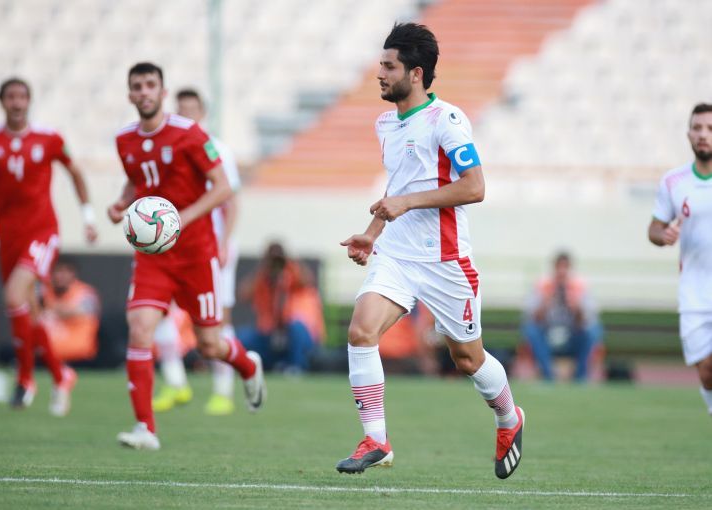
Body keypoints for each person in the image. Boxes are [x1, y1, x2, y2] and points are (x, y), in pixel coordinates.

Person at [336, 23, 524, 479]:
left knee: (467, 360)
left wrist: (406, 203)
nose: (379, 74)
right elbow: (398, 187)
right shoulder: (385, 123)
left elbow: (474, 187)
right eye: (381, 64)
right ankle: (376, 440)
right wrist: (373, 232)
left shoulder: (448, 120)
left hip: (446, 261)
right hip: (397, 255)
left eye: (389, 66)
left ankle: (509, 417)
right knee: (361, 331)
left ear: (415, 73)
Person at [107, 62, 265, 450]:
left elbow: (223, 187)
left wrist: (181, 218)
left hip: (197, 254)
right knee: (140, 327)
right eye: (137, 86)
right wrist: (122, 203)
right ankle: (145, 429)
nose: (144, 92)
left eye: (150, 85)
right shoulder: (124, 140)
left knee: (209, 345)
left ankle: (248, 365)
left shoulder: (189, 133)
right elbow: (137, 180)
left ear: (162, 92)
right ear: (130, 94)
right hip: (153, 256)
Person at [0, 77, 96, 416]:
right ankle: (61, 375)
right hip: (8, 237)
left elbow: (75, 173)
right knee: (30, 311)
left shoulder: (49, 138)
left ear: (29, 101)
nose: (17, 102)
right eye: (11, 96)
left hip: (43, 232)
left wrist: (88, 217)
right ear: (2, 102)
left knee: (12, 296)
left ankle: (25, 378)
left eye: (22, 96)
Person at [152, 88, 244, 416]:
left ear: (202, 113)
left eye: (192, 110)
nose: (187, 116)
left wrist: (224, 242)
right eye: (182, 110)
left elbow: (231, 201)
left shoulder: (217, 149)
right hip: (175, 244)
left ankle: (223, 390)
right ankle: (175, 382)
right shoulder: (168, 149)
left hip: (211, 245)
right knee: (158, 310)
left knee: (218, 317)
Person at [649, 102, 712, 416]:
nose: (703, 135)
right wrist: (664, 235)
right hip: (694, 294)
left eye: (710, 129)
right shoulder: (673, 181)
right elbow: (654, 229)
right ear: (688, 134)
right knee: (707, 373)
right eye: (697, 128)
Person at [237, 242, 325, 373]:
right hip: (270, 333)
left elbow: (308, 281)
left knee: (296, 328)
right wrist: (263, 269)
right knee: (243, 337)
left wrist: (290, 263)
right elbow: (243, 294)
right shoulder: (262, 279)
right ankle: (267, 366)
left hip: (297, 334)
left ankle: (295, 367)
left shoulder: (293, 275)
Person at [521, 252, 602, 382]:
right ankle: (548, 376)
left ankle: (580, 377)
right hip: (548, 337)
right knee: (531, 330)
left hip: (572, 338)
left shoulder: (579, 286)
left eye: (565, 267)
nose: (562, 272)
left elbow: (589, 321)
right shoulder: (543, 285)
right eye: (559, 267)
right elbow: (531, 318)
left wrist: (576, 307)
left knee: (594, 331)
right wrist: (546, 302)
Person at [39, 257, 101, 363]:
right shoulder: (43, 291)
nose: (61, 276)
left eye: (67, 271)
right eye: (58, 271)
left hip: (80, 358)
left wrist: (48, 308)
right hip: (45, 357)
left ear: (74, 274)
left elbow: (78, 311)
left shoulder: (85, 293)